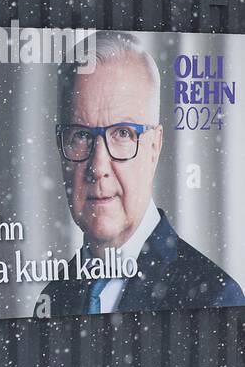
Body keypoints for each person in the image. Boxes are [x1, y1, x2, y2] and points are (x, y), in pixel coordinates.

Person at [41, 32, 244, 316]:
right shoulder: (53, 296)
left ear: (154, 147)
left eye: (123, 133)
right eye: (81, 136)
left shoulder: (213, 297)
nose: (98, 168)